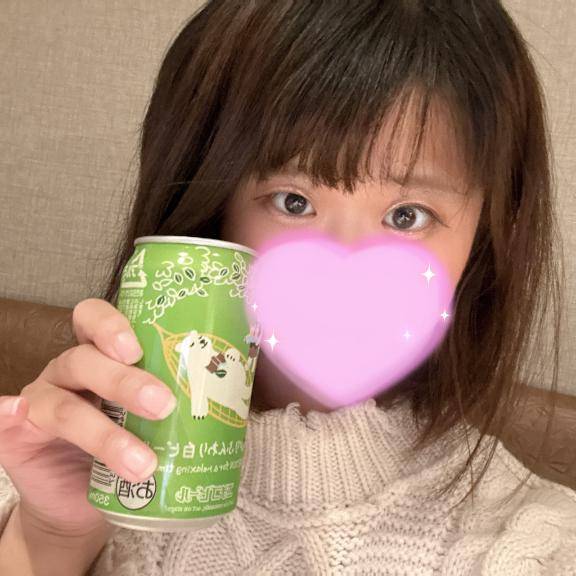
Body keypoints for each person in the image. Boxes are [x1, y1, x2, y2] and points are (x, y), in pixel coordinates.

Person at [1, 1, 575, 574]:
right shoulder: (52, 463)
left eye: (407, 216)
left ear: (488, 233)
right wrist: (51, 535)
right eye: (293, 202)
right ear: (208, 208)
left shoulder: (539, 547)